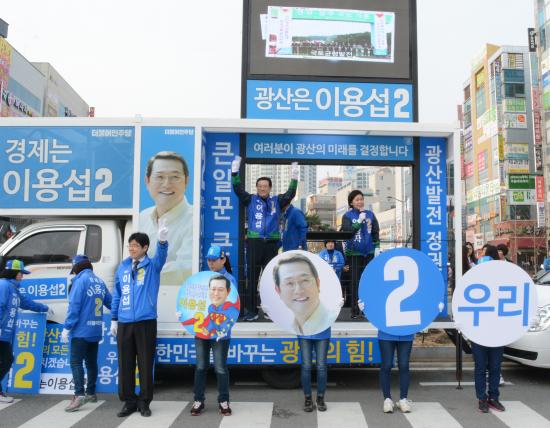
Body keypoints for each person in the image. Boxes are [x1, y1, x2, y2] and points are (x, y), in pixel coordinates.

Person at [110, 222, 168, 418]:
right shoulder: (123, 267)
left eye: (135, 245)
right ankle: (129, 402)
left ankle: (144, 402)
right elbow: (117, 294)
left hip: (146, 321)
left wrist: (162, 241)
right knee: (125, 364)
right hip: (125, 322)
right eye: (130, 245)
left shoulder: (152, 266)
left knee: (145, 363)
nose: (132, 249)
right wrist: (114, 318)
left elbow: (161, 256)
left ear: (145, 247)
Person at [231, 156, 299, 321]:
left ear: (270, 188)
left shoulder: (277, 201)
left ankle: (270, 310)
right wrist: (234, 172)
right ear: (256, 188)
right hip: (254, 242)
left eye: (265, 186)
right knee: (252, 277)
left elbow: (290, 194)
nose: (262, 188)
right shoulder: (250, 199)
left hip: (272, 244)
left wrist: (294, 177)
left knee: (271, 278)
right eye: (260, 186)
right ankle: (252, 311)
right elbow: (238, 189)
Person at [61, 255, 112, 412]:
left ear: (77, 267)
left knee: (76, 362)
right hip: (95, 330)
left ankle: (79, 395)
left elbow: (74, 306)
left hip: (81, 331)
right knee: (91, 362)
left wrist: (67, 327)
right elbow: (111, 303)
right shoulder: (99, 282)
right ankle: (91, 393)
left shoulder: (80, 281)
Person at [0, 259, 52, 403]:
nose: (22, 276)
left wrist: (45, 308)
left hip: (5, 333)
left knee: (6, 359)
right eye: (20, 273)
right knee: (7, 359)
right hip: (1, 332)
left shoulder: (13, 289)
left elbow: (26, 303)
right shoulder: (4, 285)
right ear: (14, 273)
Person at [139, 151, 192, 286]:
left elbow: (184, 269)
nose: (167, 184)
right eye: (159, 177)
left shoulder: (194, 219)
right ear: (147, 181)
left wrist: (138, 273)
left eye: (175, 177)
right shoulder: (142, 217)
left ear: (186, 181)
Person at [190, 275, 236, 417]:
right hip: (201, 336)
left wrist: (222, 331)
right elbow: (209, 322)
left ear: (228, 292)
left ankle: (223, 401)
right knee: (200, 367)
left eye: (220, 290)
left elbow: (230, 320)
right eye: (213, 289)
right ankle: (198, 400)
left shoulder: (230, 307)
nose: (216, 293)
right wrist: (184, 317)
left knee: (220, 368)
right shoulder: (209, 307)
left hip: (221, 338)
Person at [471, 244, 506, 413]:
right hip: (478, 331)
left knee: (495, 367)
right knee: (481, 367)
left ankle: (493, 397)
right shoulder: (472, 285)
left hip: (497, 331)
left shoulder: (502, 283)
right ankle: (482, 398)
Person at [271, 253, 339, 336]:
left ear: (318, 283)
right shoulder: (290, 326)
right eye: (289, 283)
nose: (298, 290)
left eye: (304, 280)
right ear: (278, 290)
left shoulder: (329, 319)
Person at [341, 190, 380, 318]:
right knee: (355, 282)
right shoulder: (347, 216)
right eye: (357, 200)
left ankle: (367, 310)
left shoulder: (370, 214)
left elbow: (375, 232)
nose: (360, 202)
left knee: (368, 281)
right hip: (354, 253)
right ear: (351, 202)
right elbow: (347, 231)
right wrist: (358, 221)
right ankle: (355, 310)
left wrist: (377, 247)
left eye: (361, 199)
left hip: (369, 252)